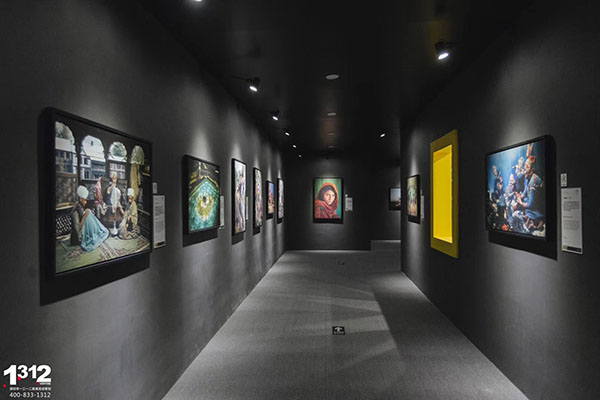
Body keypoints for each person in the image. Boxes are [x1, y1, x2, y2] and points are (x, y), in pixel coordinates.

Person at [71, 185, 109, 251]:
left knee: (89, 212)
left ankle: (97, 231)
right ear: (81, 199)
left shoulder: (80, 207)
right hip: (79, 236)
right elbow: (78, 229)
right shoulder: (75, 212)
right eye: (85, 200)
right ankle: (96, 232)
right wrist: (85, 216)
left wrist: (86, 213)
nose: (86, 203)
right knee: (88, 214)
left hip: (84, 229)